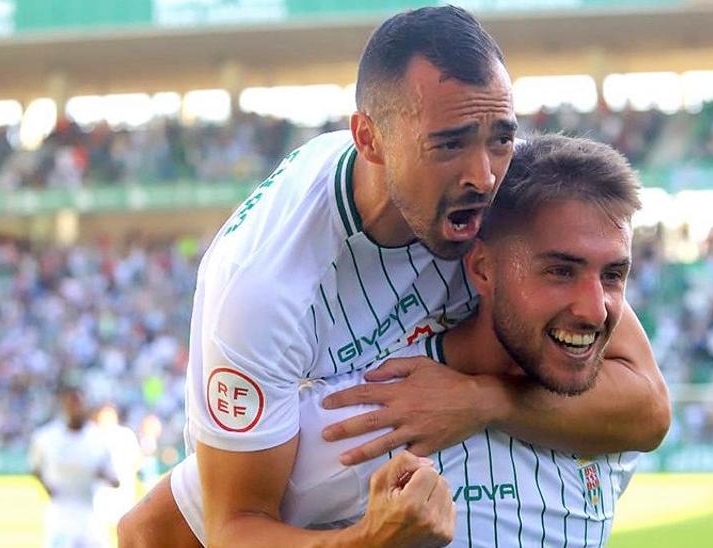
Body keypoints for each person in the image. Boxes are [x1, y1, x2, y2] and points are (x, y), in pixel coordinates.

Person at [119, 6, 668, 547]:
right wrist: (369, 539)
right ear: (370, 138)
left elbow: (646, 406)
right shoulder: (263, 291)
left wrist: (483, 401)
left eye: (501, 137)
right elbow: (225, 525)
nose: (483, 174)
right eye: (450, 143)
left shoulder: (510, 198)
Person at [166, 135, 648, 547]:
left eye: (613, 275)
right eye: (559, 271)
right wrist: (367, 541)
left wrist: (487, 402)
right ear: (481, 268)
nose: (595, 309)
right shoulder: (375, 414)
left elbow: (653, 414)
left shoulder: (606, 412)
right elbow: (154, 532)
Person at [30, 384, 120, 548]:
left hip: (90, 514)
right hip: (60, 514)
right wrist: (47, 488)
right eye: (71, 402)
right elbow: (35, 469)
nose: (75, 407)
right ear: (63, 405)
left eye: (79, 402)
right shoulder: (46, 438)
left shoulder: (98, 438)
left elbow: (115, 479)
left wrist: (104, 476)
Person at [93, 404, 143, 531]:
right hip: (101, 489)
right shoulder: (94, 436)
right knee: (100, 529)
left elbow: (136, 460)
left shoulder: (125, 434)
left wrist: (125, 475)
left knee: (123, 527)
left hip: (123, 486)